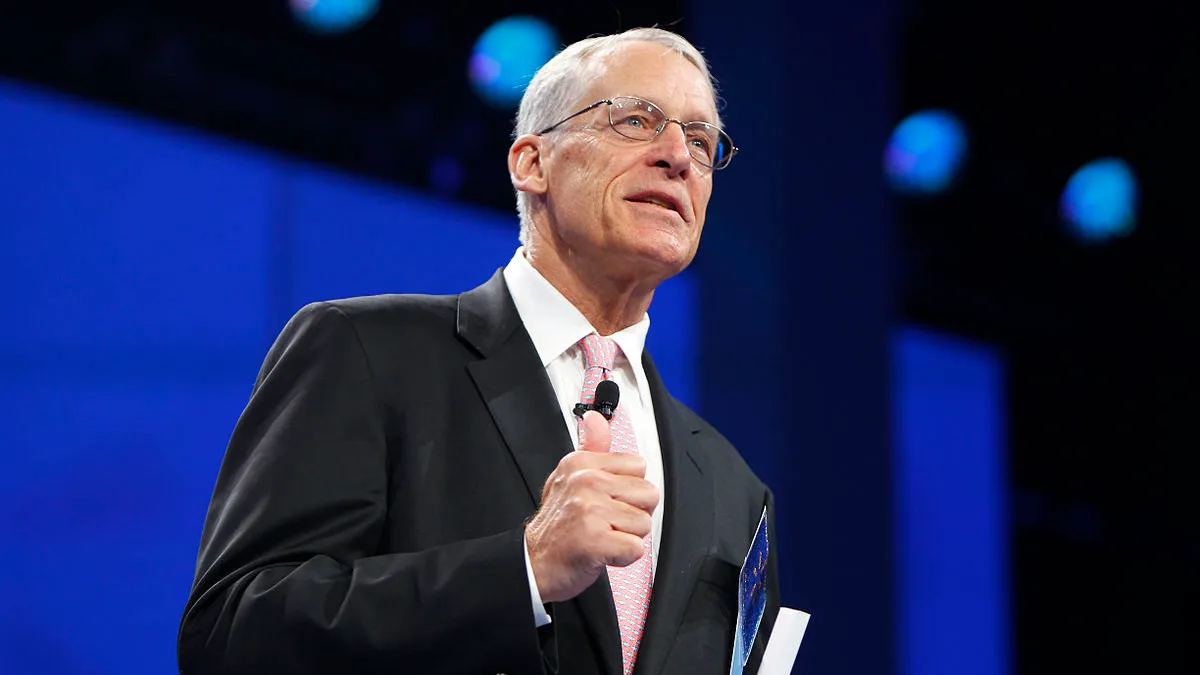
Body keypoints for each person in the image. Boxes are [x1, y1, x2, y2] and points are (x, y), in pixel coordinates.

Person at [177, 26, 779, 675]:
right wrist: (524, 568)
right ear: (531, 162)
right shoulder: (366, 353)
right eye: (636, 120)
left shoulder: (732, 484)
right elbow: (233, 632)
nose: (677, 156)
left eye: (700, 139)